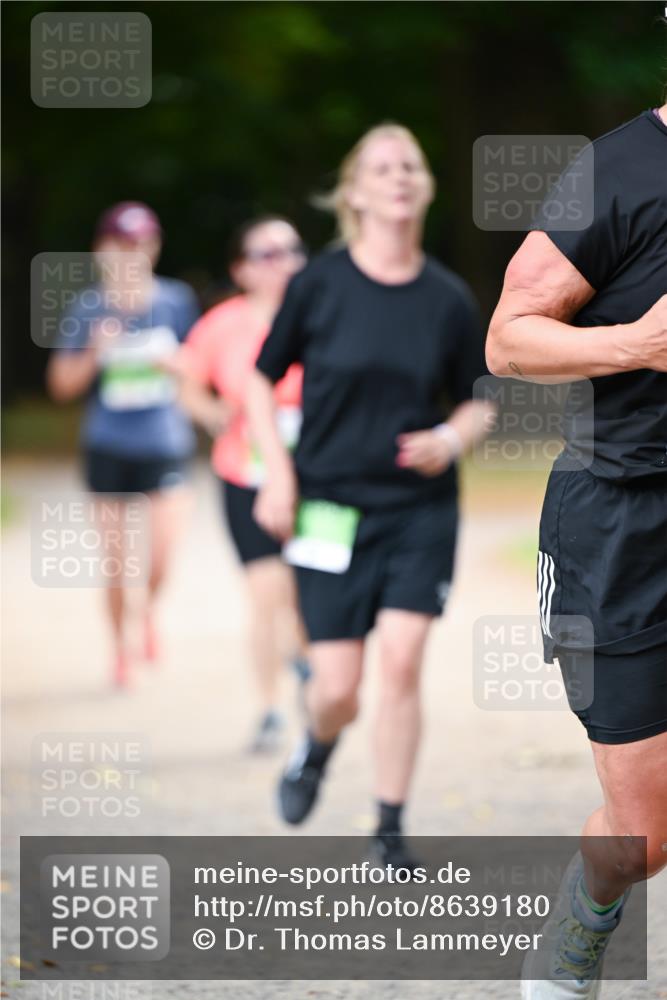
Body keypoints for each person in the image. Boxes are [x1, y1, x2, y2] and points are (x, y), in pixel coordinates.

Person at [246, 124, 493, 867]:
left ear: (425, 185)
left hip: (419, 508)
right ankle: (316, 745)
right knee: (338, 687)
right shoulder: (317, 283)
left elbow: (478, 398)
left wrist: (449, 440)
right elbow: (260, 378)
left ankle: (388, 826)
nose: (398, 177)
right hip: (327, 503)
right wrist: (279, 474)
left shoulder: (447, 298)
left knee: (402, 660)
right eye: (381, 168)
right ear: (353, 192)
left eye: (410, 166)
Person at [486, 105, 667, 997]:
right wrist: (638, 344)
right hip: (622, 526)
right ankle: (580, 925)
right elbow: (508, 336)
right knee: (643, 833)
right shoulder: (618, 170)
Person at [47, 201, 199, 688]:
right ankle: (119, 650)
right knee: (116, 564)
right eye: (121, 244)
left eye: (141, 244)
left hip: (165, 444)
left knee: (159, 557)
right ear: (101, 250)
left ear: (154, 248)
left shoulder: (175, 301)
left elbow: (203, 366)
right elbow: (61, 385)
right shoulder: (88, 307)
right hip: (109, 446)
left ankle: (148, 611)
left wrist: (178, 366)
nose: (131, 254)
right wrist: (95, 352)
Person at [179, 216, 311, 752]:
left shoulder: (320, 316)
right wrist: (213, 414)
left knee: (304, 594)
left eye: (292, 250)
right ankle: (269, 709)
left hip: (315, 477)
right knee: (265, 591)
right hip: (245, 473)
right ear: (241, 269)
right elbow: (190, 386)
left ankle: (307, 667)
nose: (283, 262)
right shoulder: (221, 325)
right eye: (267, 253)